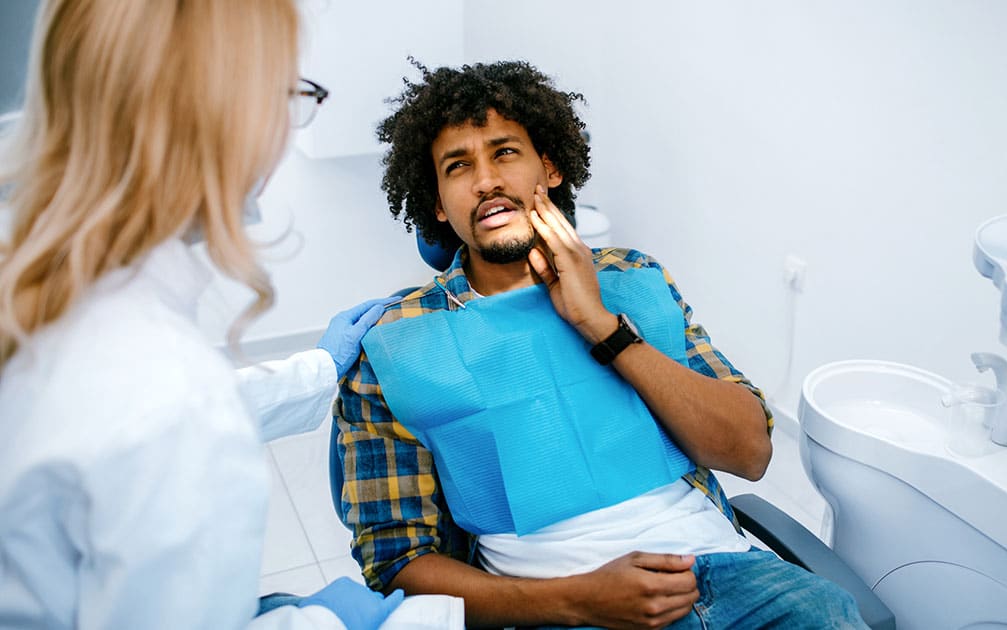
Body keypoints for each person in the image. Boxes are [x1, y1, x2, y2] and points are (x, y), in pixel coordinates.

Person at [335, 60, 868, 628]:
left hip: (729, 575)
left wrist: (602, 326)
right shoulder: (394, 346)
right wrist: (577, 599)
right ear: (438, 204)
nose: (487, 179)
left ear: (550, 167)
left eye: (505, 152)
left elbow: (751, 452)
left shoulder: (635, 280)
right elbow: (399, 564)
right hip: (556, 603)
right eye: (459, 165)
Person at [0, 1, 401, 628]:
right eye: (290, 93)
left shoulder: (37, 282)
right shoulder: (168, 393)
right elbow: (155, 416)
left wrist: (319, 369)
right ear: (227, 117)